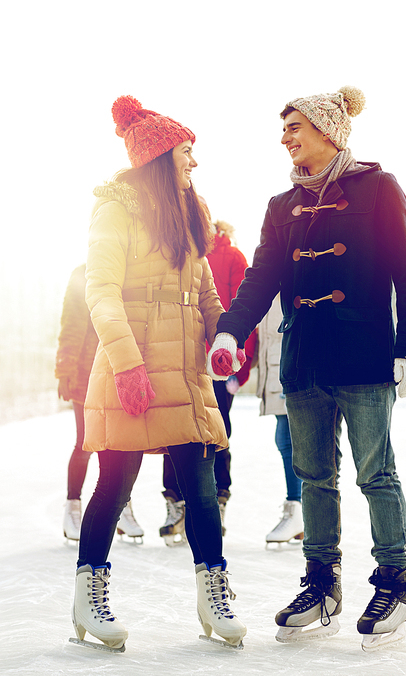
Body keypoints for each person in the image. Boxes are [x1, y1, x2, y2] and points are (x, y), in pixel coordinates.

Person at [207, 86, 406, 650]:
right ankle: (322, 583)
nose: (285, 139)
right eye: (283, 130)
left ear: (329, 131)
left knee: (375, 473)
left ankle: (394, 582)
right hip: (304, 360)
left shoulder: (379, 188)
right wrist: (231, 328)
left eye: (294, 128)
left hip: (364, 354)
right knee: (313, 475)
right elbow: (260, 279)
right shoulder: (282, 207)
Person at [71, 95, 246, 652]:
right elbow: (100, 291)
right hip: (136, 362)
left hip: (185, 368)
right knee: (116, 481)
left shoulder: (191, 210)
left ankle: (213, 594)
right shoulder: (116, 209)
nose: (195, 163)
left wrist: (221, 336)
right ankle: (88, 597)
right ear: (160, 155)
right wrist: (126, 365)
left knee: (199, 483)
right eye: (187, 152)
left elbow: (208, 290)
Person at [160, 220, 256, 544]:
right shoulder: (176, 252)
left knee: (216, 431)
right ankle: (175, 502)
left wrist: (239, 370)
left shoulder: (233, 258)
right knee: (173, 428)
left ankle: (217, 499)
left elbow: (242, 313)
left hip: (218, 364)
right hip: (180, 358)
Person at [55, 264, 143, 543]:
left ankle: (122, 508)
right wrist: (65, 369)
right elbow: (70, 324)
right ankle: (73, 508)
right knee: (85, 442)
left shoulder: (130, 271)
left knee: (120, 443)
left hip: (118, 369)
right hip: (85, 372)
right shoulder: (83, 274)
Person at [256, 293, 303, 548]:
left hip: (290, 364)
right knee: (285, 440)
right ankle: (298, 510)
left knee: (290, 440)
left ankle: (298, 509)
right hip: (275, 367)